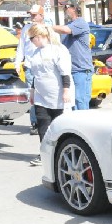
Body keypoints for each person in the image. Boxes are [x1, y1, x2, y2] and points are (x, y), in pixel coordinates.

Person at [26, 23, 74, 166]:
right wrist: (33, 91)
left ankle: (62, 156)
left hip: (58, 95)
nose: (30, 41)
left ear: (40, 37)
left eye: (31, 38)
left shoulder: (57, 50)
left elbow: (65, 73)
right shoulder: (35, 53)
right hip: (41, 96)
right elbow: (36, 75)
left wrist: (66, 91)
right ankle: (45, 154)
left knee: (60, 127)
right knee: (43, 127)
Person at [52, 0, 93, 110]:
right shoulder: (68, 25)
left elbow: (65, 30)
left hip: (81, 70)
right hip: (70, 70)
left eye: (67, 7)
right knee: (72, 103)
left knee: (81, 101)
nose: (65, 9)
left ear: (74, 8)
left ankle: (84, 127)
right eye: (64, 7)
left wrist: (48, 27)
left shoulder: (81, 23)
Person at [14, 4, 47, 135]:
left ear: (41, 16)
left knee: (44, 94)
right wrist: (17, 63)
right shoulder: (26, 29)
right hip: (30, 67)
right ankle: (34, 123)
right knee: (33, 96)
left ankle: (46, 121)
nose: (32, 17)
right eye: (31, 15)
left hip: (44, 67)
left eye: (34, 15)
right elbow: (21, 47)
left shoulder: (46, 29)